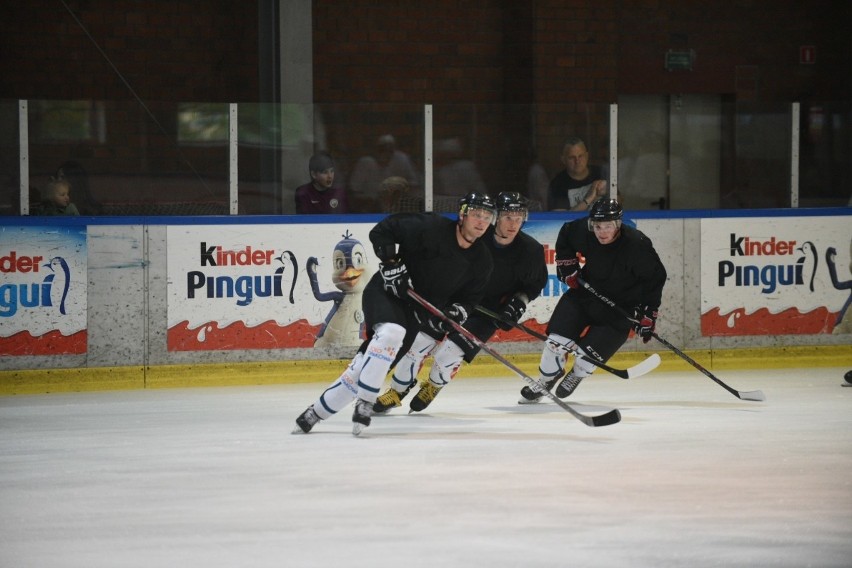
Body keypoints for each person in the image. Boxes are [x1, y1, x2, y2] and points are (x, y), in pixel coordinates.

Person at [292, 192, 496, 436]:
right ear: (462, 214)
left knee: (363, 367)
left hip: (416, 314)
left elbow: (470, 299)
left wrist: (455, 312)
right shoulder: (430, 226)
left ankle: (313, 414)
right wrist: (391, 263)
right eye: (476, 214)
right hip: (387, 293)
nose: (481, 222)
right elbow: (381, 231)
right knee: (391, 332)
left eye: (487, 216)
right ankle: (366, 402)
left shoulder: (482, 260)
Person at [372, 191, 548, 414]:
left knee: (449, 353)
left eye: (519, 217)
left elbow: (533, 284)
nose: (513, 224)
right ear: (497, 217)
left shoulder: (530, 250)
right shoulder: (476, 236)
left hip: (487, 313)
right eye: (507, 217)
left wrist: (518, 304)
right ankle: (397, 391)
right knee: (416, 345)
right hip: (450, 301)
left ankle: (434, 386)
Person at [519, 197, 666, 403]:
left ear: (618, 225)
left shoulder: (636, 245)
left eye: (608, 226)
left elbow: (654, 278)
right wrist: (567, 265)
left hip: (619, 308)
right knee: (555, 343)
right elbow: (566, 234)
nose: (602, 231)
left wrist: (648, 313)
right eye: (597, 226)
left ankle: (577, 374)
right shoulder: (582, 230)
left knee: (587, 357)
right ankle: (545, 380)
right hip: (584, 295)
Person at [349, 134, 420, 212]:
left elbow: (414, 185)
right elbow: (353, 191)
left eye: (390, 149)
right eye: (382, 149)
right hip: (368, 207)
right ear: (376, 149)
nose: (386, 152)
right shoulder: (365, 163)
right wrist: (371, 200)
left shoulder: (401, 159)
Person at [548, 137, 608, 211]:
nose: (577, 161)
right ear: (563, 160)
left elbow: (620, 201)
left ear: (587, 156)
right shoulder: (557, 184)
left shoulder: (600, 173)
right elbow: (561, 218)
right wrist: (589, 198)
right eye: (572, 157)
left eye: (580, 156)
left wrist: (609, 193)